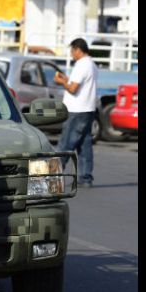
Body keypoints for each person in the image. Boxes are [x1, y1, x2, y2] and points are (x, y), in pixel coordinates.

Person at [53, 38, 98, 188]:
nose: (72, 54)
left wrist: (61, 83)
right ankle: (86, 178)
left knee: (66, 143)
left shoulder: (81, 65)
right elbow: (76, 83)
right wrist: (66, 79)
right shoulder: (91, 64)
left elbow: (73, 89)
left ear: (78, 49)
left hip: (76, 110)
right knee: (85, 145)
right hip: (88, 109)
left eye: (72, 51)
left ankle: (54, 176)